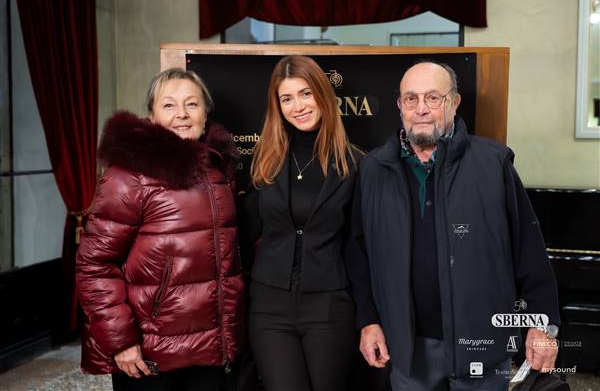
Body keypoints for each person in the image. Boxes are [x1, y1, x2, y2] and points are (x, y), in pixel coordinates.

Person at [348, 61, 561, 390]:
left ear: (455, 102)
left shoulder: (494, 163)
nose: (421, 109)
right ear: (400, 105)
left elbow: (529, 251)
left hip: (481, 346)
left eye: (433, 98)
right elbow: (359, 255)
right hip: (406, 350)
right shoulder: (373, 169)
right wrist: (368, 321)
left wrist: (543, 325)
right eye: (411, 99)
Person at [76, 68, 244, 391]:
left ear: (205, 114)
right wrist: (121, 341)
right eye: (169, 105)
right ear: (151, 116)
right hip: (149, 357)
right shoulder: (127, 176)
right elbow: (94, 264)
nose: (182, 114)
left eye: (192, 104)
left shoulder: (219, 170)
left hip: (210, 353)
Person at [241, 55, 361, 391]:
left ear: (322, 94)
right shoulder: (264, 159)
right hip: (269, 307)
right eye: (287, 98)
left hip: (329, 306)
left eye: (306, 94)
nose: (298, 106)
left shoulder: (354, 164)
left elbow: (360, 246)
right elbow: (243, 234)